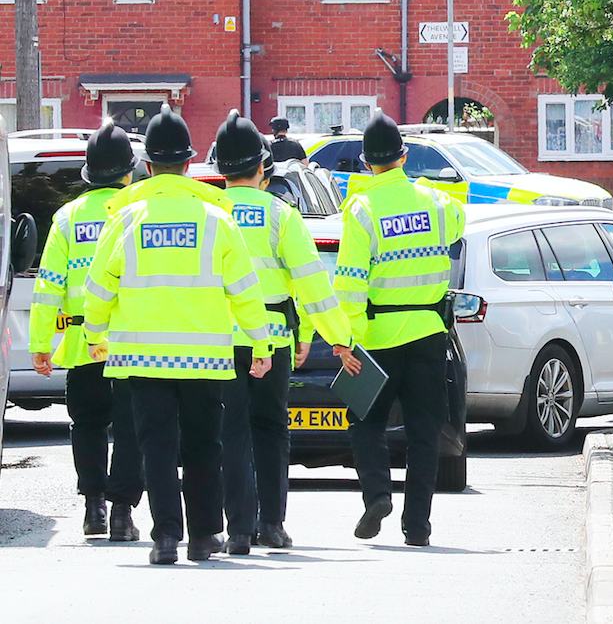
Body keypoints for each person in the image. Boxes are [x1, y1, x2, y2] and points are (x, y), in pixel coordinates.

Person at [82, 104, 274, 565]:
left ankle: (166, 536)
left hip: (143, 358)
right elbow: (245, 291)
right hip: (206, 358)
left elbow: (98, 288)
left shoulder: (125, 219)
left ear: (146, 166)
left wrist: (94, 334)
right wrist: (262, 344)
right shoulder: (216, 219)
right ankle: (204, 536)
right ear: (189, 164)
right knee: (205, 445)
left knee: (157, 447)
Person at [213, 110, 358, 555]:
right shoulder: (281, 216)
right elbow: (312, 282)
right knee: (272, 429)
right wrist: (333, 336)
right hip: (272, 340)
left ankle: (237, 529)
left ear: (219, 168)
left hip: (217, 342)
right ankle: (271, 524)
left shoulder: (209, 214)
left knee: (229, 432)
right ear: (263, 167)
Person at [334, 109, 464, 547]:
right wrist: (425, 188)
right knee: (424, 433)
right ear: (404, 156)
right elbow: (459, 218)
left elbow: (349, 282)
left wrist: (345, 341)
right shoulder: (434, 203)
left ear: (366, 163)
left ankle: (377, 494)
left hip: (377, 336)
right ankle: (418, 527)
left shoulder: (363, 209)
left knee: (363, 421)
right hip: (428, 332)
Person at [29, 121, 145, 541]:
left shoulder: (67, 217)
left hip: (81, 344)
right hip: (133, 343)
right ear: (128, 173)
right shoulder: (139, 213)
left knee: (89, 424)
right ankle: (121, 512)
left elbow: (47, 289)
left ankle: (93, 506)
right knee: (133, 427)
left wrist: (41, 344)